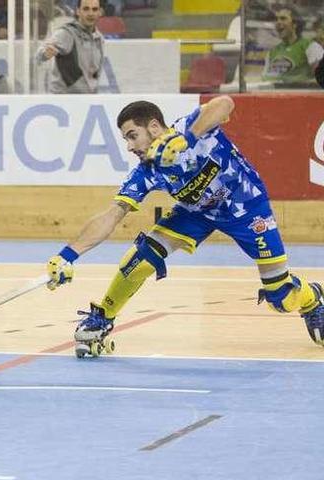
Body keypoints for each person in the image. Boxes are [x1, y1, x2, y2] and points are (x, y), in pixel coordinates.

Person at [45, 97, 324, 358]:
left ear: (153, 127)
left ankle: (311, 298)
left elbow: (225, 104)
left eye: (132, 136)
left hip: (246, 206)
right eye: (126, 140)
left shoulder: (191, 128)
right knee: (141, 257)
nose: (129, 146)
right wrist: (67, 255)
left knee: (282, 299)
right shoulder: (148, 170)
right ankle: (103, 317)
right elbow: (113, 214)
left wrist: (186, 138)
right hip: (196, 213)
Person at [35, 0, 104, 94]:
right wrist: (45, 53)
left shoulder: (99, 38)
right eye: (86, 9)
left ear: (100, 12)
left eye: (94, 9)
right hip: (63, 98)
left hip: (87, 99)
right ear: (78, 11)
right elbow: (40, 53)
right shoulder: (67, 33)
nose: (91, 13)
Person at [262, 5, 322, 84]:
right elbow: (265, 78)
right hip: (272, 93)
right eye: (276, 19)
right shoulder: (272, 52)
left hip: (297, 94)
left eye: (283, 18)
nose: (278, 22)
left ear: (295, 24)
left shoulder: (310, 46)